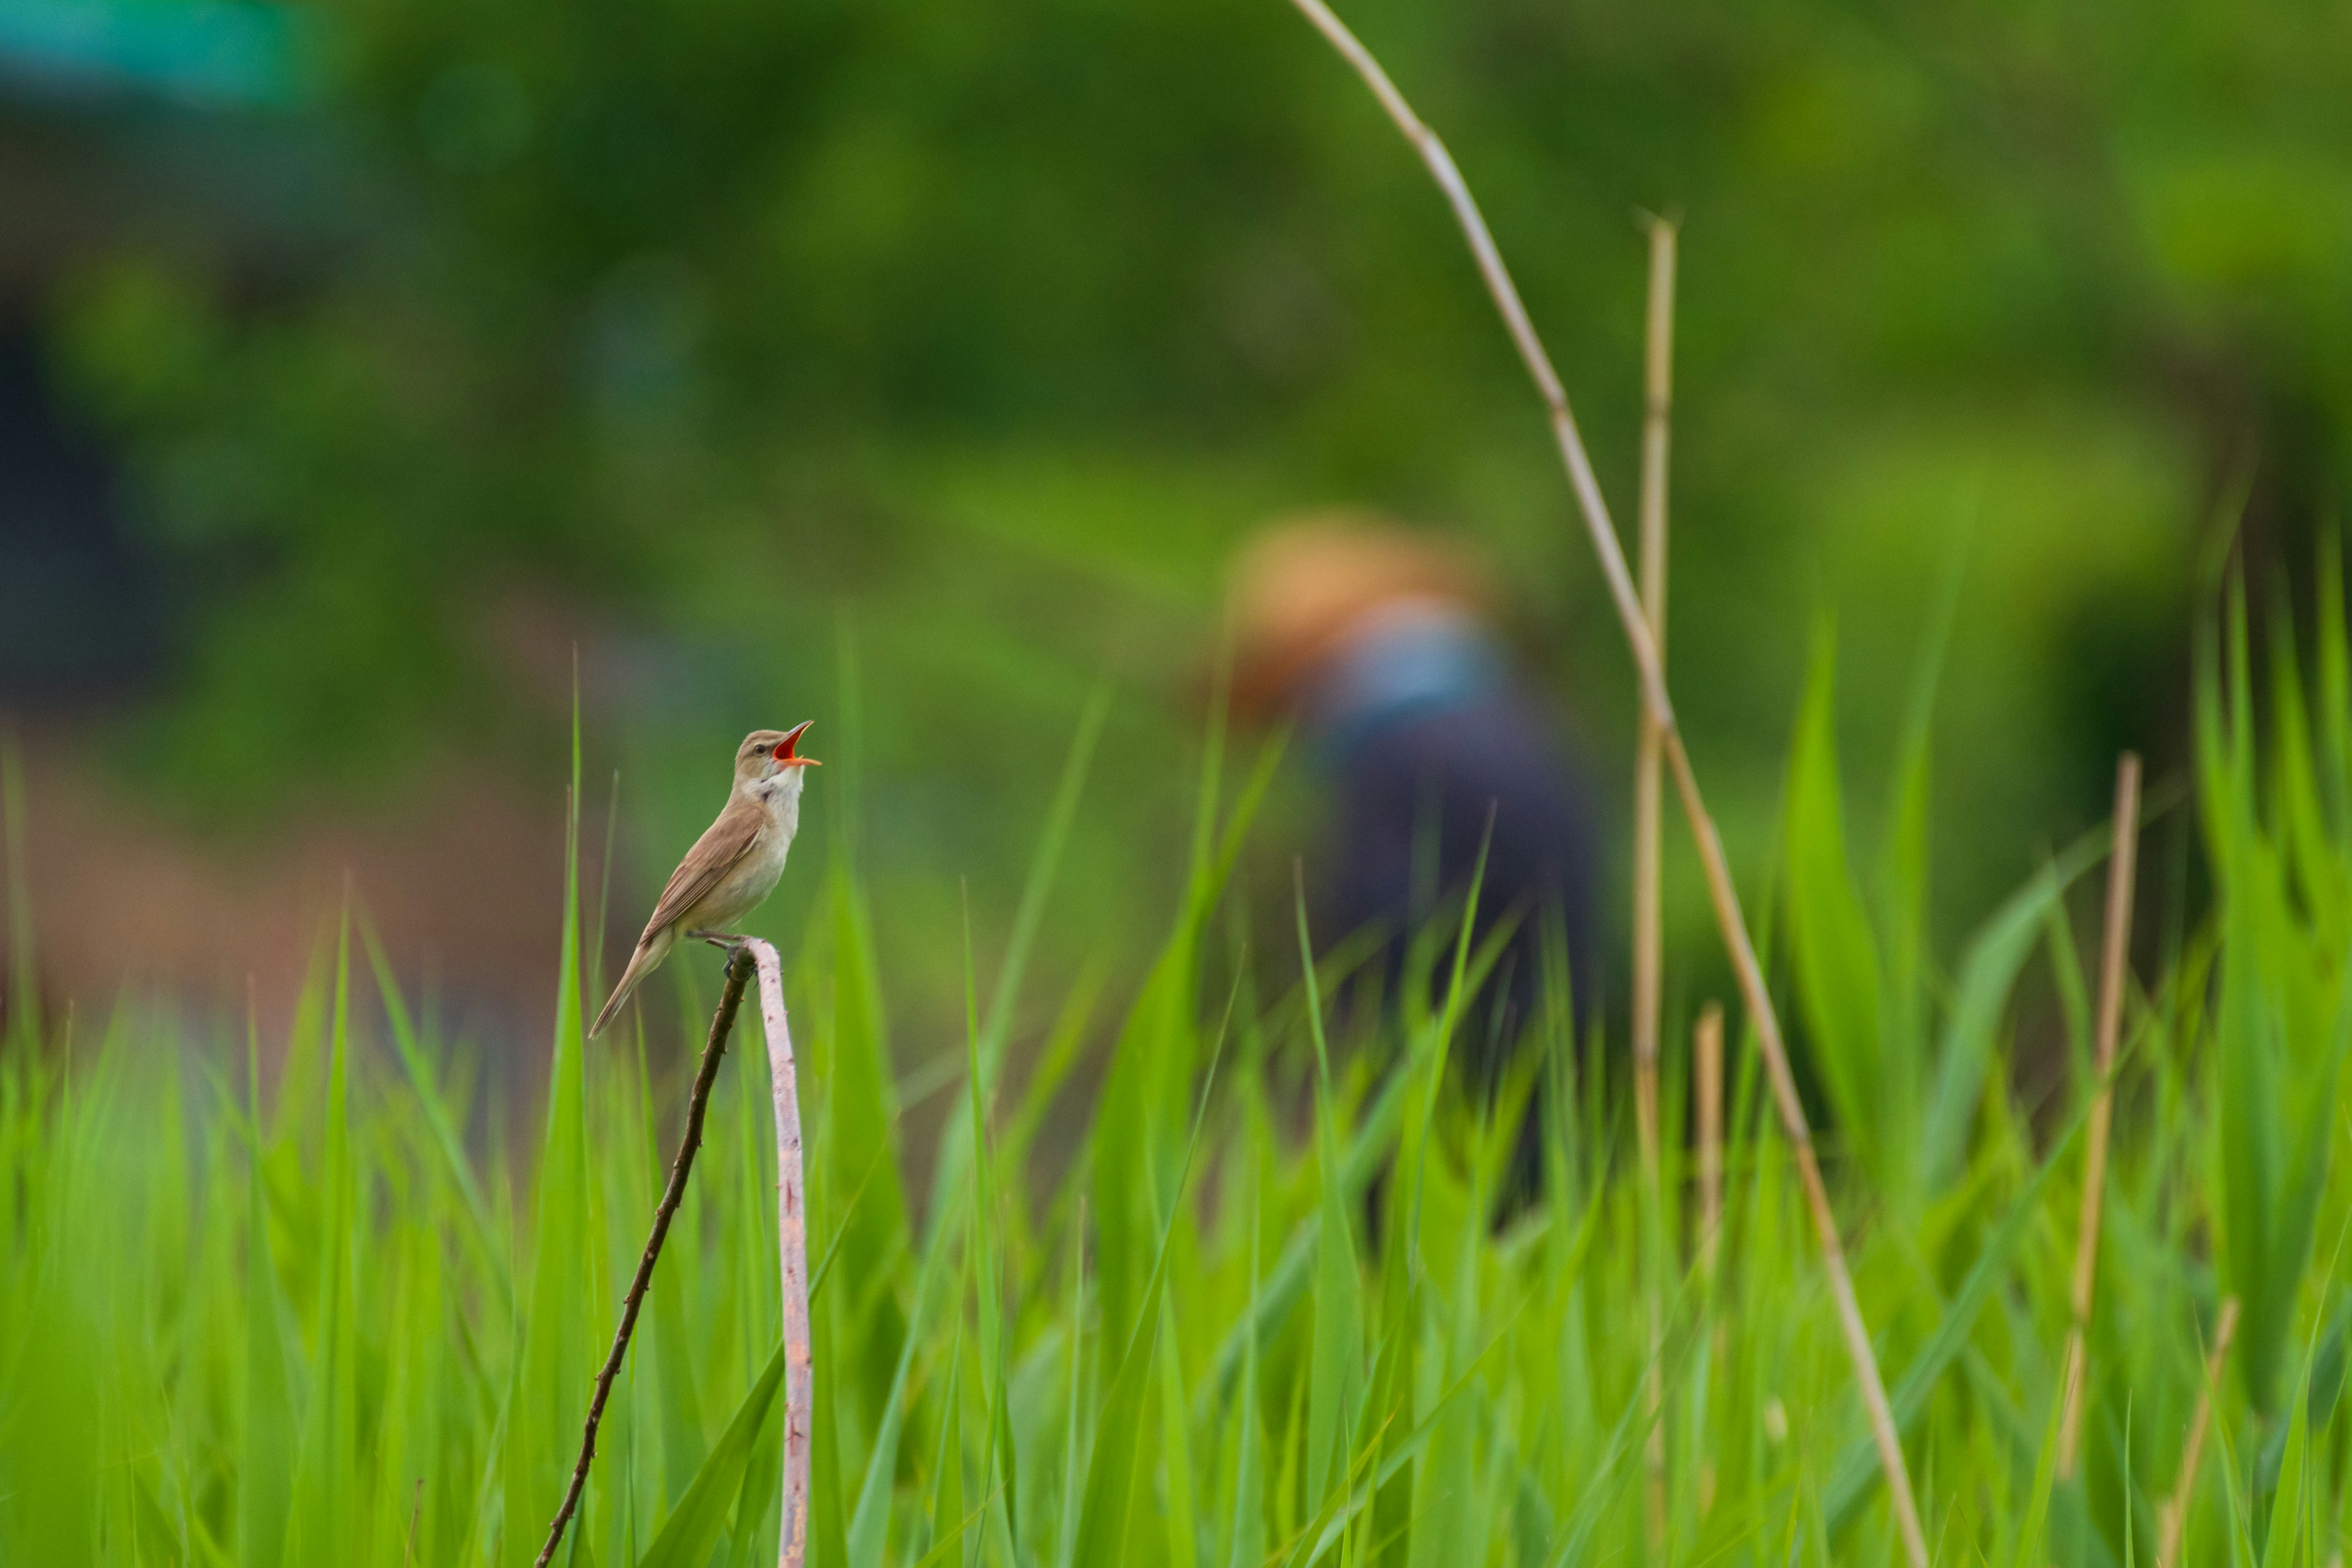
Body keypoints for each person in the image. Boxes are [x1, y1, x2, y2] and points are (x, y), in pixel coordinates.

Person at [1227, 513, 1604, 1189]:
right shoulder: (1516, 723)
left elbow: (1385, 936)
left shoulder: (1397, 750)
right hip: (1542, 1073)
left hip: (1436, 1104)